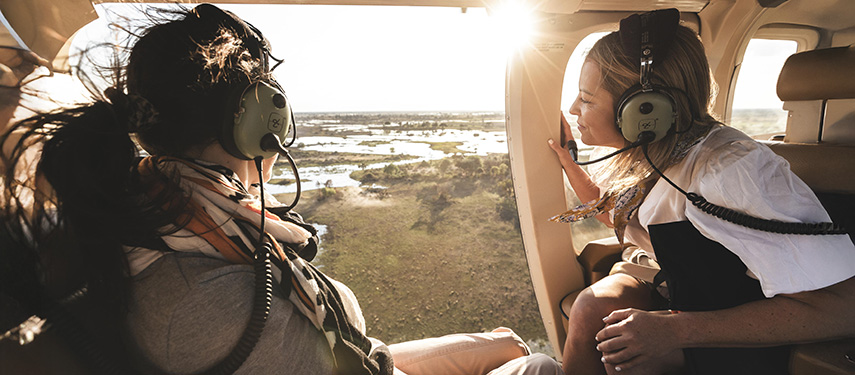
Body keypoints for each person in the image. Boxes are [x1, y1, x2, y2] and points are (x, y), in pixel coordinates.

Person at [0, 4, 564, 375]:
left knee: (511, 345)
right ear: (254, 120)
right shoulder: (217, 301)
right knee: (540, 368)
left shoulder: (167, 216)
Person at [547, 9, 855, 375]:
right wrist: (569, 162)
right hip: (696, 301)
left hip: (747, 335)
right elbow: (617, 214)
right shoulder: (664, 154)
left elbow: (842, 307)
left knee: (621, 356)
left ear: (645, 110)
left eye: (586, 98)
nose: (573, 109)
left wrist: (675, 330)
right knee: (589, 308)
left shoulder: (729, 170)